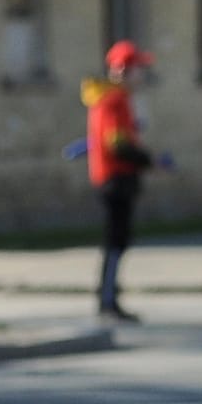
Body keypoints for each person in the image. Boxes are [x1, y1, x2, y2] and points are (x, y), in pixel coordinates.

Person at [81, 40, 159, 322]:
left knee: (118, 240)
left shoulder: (113, 99)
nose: (142, 75)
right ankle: (107, 301)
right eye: (139, 68)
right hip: (116, 178)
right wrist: (148, 160)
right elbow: (117, 144)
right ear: (124, 70)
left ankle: (109, 297)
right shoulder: (113, 101)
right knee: (115, 240)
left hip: (116, 177)